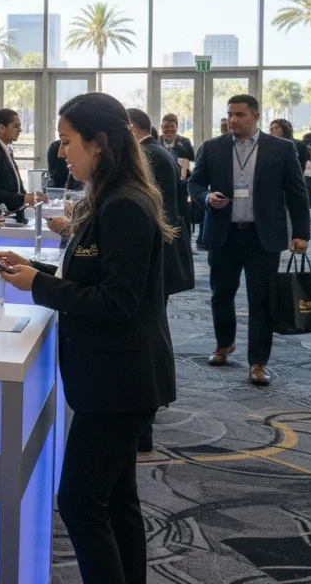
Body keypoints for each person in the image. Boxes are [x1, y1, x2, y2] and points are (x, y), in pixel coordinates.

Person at [0, 93, 176, 584]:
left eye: (67, 140)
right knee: (117, 501)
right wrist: (37, 271)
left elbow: (116, 303)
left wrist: (40, 286)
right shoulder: (110, 198)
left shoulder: (124, 206)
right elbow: (99, 278)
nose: (62, 152)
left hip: (120, 378)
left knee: (79, 503)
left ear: (99, 143)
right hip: (118, 376)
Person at [188, 95, 309, 387]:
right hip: (224, 234)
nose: (232, 120)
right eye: (230, 114)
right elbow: (194, 183)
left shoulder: (281, 148)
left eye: (239, 114)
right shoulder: (213, 147)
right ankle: (224, 344)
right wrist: (206, 197)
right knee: (221, 295)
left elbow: (296, 192)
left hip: (262, 237)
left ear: (256, 116)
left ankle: (258, 362)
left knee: (261, 301)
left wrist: (301, 233)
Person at [127, 109, 196, 453]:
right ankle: (148, 411)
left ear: (131, 128)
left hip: (157, 250)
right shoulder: (160, 153)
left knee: (148, 327)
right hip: (163, 247)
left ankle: (145, 419)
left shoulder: (148, 155)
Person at [0, 109, 41, 219]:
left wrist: (28, 197)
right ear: (2, 128)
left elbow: (14, 183)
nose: (20, 130)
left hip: (11, 213)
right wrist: (23, 198)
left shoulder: (4, 148)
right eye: (15, 126)